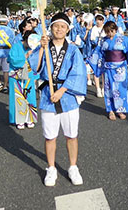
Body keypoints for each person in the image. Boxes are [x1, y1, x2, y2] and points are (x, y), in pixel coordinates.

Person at [29, 12, 87, 187]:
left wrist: (62, 90)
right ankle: (51, 168)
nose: (59, 29)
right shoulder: (44, 46)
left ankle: (73, 167)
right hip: (48, 95)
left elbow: (78, 72)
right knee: (50, 136)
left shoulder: (73, 49)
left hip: (67, 95)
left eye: (63, 26)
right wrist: (41, 48)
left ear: (67, 29)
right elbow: (35, 67)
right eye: (56, 26)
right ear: (51, 28)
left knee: (71, 135)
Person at [89, 21, 128, 121]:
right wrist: (90, 62)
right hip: (108, 68)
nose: (109, 34)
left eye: (111, 31)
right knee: (108, 89)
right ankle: (110, 110)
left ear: (115, 30)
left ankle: (120, 109)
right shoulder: (103, 41)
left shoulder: (123, 39)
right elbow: (97, 53)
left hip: (120, 68)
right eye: (107, 32)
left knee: (121, 89)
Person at [8, 30, 38, 130]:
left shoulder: (33, 47)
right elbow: (12, 59)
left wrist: (36, 76)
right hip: (16, 73)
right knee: (18, 96)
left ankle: (30, 118)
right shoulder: (16, 46)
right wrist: (25, 56)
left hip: (29, 74)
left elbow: (37, 62)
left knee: (30, 95)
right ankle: (19, 119)